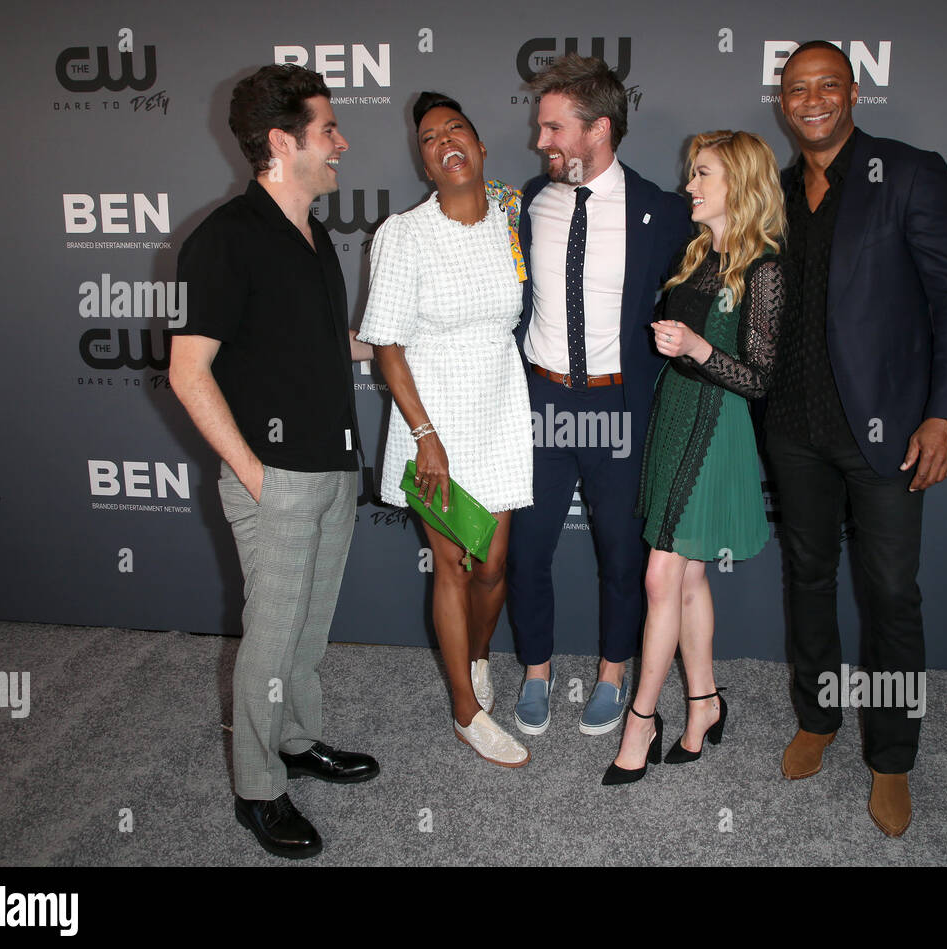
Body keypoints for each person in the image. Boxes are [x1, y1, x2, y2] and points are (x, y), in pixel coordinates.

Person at [767, 41, 947, 836]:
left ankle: (891, 757)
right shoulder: (779, 189)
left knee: (891, 596)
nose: (813, 99)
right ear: (781, 100)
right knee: (811, 580)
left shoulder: (910, 172)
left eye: (828, 85)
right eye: (798, 88)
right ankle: (819, 719)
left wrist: (945, 412)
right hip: (792, 426)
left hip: (887, 433)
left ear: (853, 93)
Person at [170, 64, 379, 860]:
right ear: (284, 142)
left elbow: (326, 346)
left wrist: (399, 345)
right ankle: (258, 790)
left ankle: (297, 740)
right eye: (329, 130)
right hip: (277, 478)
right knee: (270, 638)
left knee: (308, 631)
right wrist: (256, 477)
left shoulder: (313, 234)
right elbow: (188, 373)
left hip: (332, 466)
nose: (342, 143)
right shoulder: (224, 240)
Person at [507, 54, 692, 737]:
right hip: (542, 404)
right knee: (528, 550)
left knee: (622, 554)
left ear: (599, 129)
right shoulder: (527, 203)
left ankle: (614, 672)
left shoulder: (663, 214)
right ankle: (535, 671)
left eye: (554, 128)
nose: (540, 141)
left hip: (619, 409)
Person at [603, 131, 789, 785]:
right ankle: (704, 703)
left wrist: (696, 348)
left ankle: (641, 721)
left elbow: (761, 379)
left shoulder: (764, 267)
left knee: (661, 580)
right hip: (675, 413)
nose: (690, 185)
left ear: (736, 183)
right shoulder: (695, 253)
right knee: (685, 580)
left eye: (703, 173)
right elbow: (680, 342)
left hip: (716, 427)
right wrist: (671, 341)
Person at [359, 92, 533, 768]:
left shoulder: (509, 215)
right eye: (429, 139)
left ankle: (479, 659)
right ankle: (466, 712)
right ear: (424, 163)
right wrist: (426, 433)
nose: (444, 142)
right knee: (454, 565)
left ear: (481, 148)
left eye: (456, 129)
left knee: (493, 565)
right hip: (429, 418)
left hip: (496, 405)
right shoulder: (403, 234)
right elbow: (388, 346)